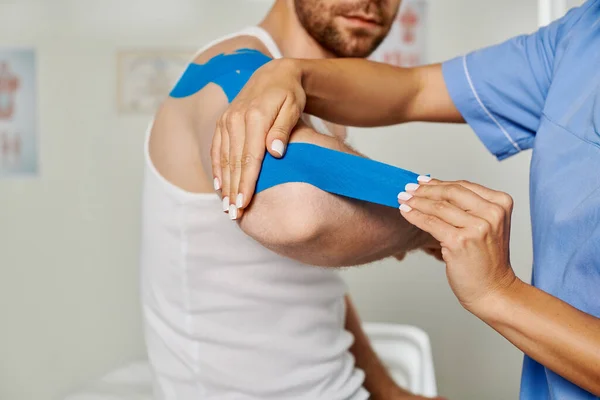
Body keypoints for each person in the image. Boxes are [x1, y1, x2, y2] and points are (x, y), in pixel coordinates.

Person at [213, 0, 600, 399]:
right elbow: (414, 90)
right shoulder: (582, 33)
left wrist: (498, 291)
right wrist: (289, 73)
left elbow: (296, 213)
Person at [140, 0, 444, 399]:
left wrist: (387, 390)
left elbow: (310, 283)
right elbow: (296, 214)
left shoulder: (306, 95)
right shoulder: (231, 71)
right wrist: (428, 219)